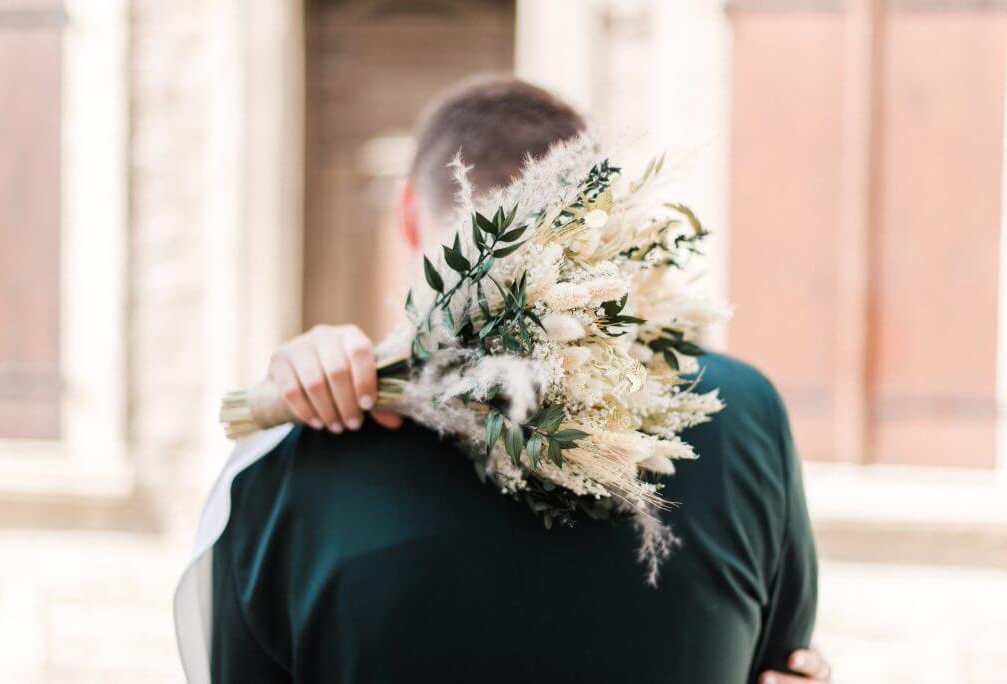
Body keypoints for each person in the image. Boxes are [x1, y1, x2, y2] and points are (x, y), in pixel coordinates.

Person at [176, 76, 831, 684]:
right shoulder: (740, 414)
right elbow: (784, 662)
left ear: (406, 215)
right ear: (598, 218)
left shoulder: (292, 462)